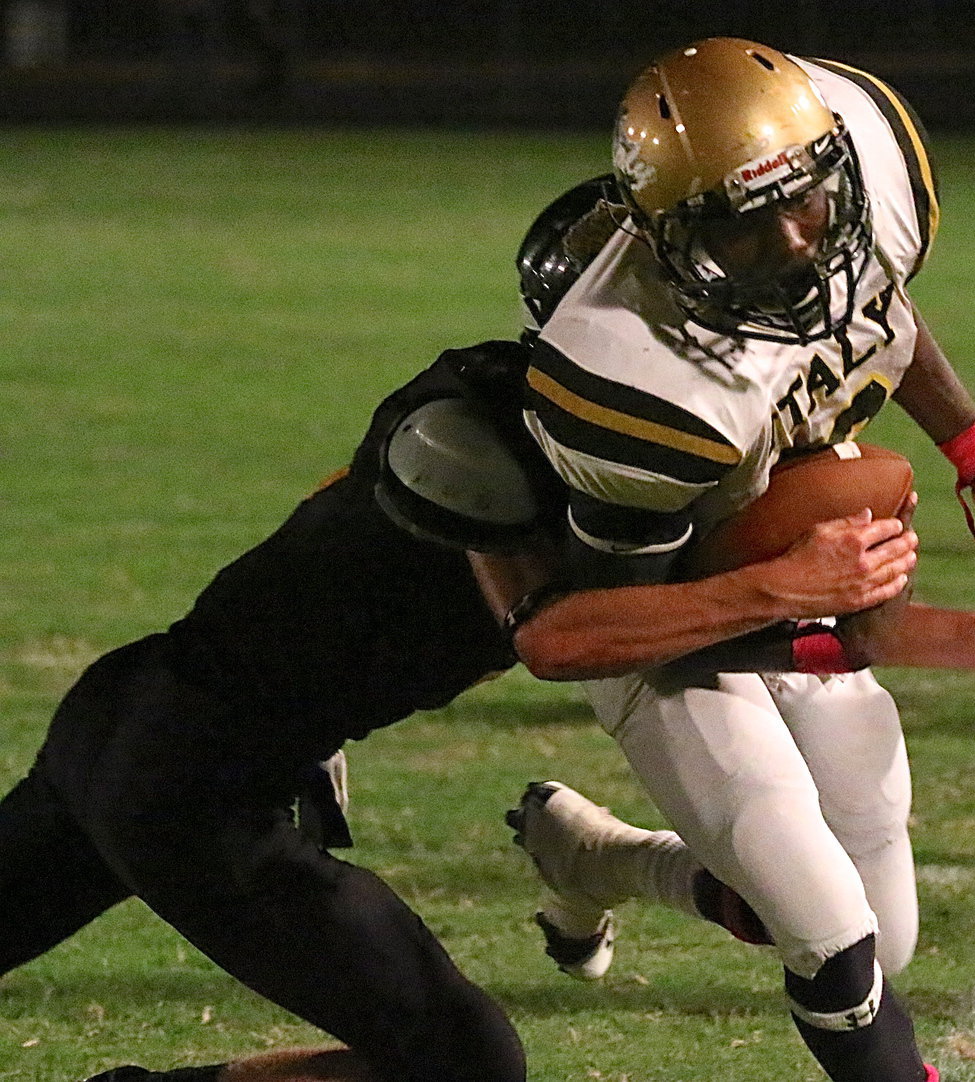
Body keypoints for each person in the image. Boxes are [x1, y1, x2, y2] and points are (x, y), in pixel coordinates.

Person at [0, 338, 922, 1082]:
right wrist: (777, 585)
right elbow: (557, 639)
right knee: (464, 1063)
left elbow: (661, 631)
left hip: (129, 720)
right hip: (187, 792)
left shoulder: (566, 452)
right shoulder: (497, 472)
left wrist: (956, 638)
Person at [509, 36, 975, 1082]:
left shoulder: (868, 173)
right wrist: (794, 589)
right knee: (832, 933)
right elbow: (594, 632)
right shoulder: (638, 380)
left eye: (808, 206)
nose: (795, 245)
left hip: (780, 572)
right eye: (744, 230)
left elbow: (879, 315)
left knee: (883, 928)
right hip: (652, 618)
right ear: (670, 245)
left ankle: (598, 856)